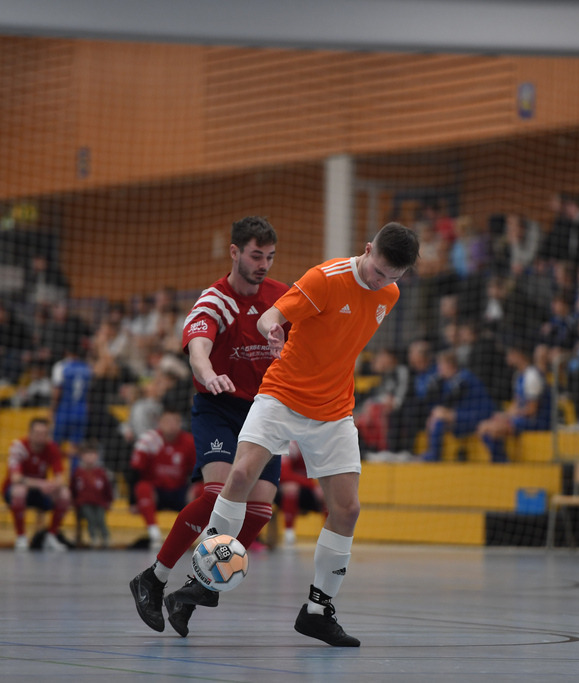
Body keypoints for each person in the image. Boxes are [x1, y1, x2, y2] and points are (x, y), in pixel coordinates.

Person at [198, 221, 418, 647]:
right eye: (378, 271)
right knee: (240, 475)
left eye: (393, 276)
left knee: (347, 509)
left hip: (334, 409)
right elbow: (271, 315)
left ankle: (318, 611)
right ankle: (205, 575)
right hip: (283, 394)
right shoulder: (325, 278)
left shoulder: (388, 294)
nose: (382, 281)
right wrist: (273, 329)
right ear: (367, 249)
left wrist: (385, 283)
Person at [130, 216, 289, 637]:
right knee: (218, 493)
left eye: (270, 257)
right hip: (219, 406)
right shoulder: (215, 299)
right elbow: (198, 348)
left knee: (260, 510)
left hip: (265, 410)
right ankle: (154, 577)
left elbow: (305, 340)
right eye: (256, 255)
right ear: (234, 252)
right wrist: (208, 372)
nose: (263, 265)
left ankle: (196, 588)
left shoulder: (281, 297)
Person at [129, 408, 198, 549]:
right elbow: (134, 471)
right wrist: (132, 501)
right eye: (167, 421)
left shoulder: (189, 441)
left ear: (180, 423)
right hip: (157, 492)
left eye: (175, 421)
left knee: (202, 489)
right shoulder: (149, 440)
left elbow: (198, 471)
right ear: (160, 422)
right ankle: (154, 535)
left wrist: (194, 488)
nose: (171, 425)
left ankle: (205, 535)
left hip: (179, 490)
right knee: (142, 488)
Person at [2, 417, 71, 551]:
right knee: (19, 490)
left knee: (65, 494)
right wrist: (41, 484)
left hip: (40, 493)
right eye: (37, 433)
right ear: (30, 433)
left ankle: (51, 536)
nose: (41, 437)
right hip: (13, 492)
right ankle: (21, 537)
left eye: (44, 433)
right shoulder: (19, 446)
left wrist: (52, 485)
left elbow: (60, 478)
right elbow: (16, 478)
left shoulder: (52, 447)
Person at [476, 340, 551, 463]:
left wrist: (511, 416)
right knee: (483, 426)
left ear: (518, 354)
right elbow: (516, 403)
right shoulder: (519, 375)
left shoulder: (532, 376)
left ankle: (502, 462)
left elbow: (532, 409)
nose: (507, 357)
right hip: (522, 418)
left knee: (492, 429)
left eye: (510, 353)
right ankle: (500, 460)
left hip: (537, 421)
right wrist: (505, 415)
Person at [419, 349, 496, 462]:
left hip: (479, 414)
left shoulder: (464, 377)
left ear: (450, 365)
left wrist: (442, 413)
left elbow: (451, 399)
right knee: (437, 419)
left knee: (439, 418)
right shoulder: (448, 381)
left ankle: (434, 455)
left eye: (441, 365)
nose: (438, 369)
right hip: (464, 417)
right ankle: (433, 454)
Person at [277, 441, 326, 545]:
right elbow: (284, 474)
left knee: (329, 494)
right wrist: (313, 486)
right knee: (291, 488)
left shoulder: (320, 447)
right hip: (281, 491)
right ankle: (289, 533)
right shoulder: (292, 446)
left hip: (307, 489)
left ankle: (329, 535)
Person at [70, 442, 114, 548]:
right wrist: (74, 502)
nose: (89, 457)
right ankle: (93, 537)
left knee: (100, 518)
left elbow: (107, 489)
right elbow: (72, 488)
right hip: (83, 503)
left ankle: (105, 537)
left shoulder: (101, 472)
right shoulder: (78, 472)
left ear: (97, 456)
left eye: (92, 454)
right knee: (91, 518)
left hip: (99, 503)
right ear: (82, 456)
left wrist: (109, 501)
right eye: (87, 454)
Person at [50, 344, 93, 452]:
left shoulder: (61, 366)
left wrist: (52, 410)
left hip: (64, 411)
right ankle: (74, 463)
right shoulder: (87, 368)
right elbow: (88, 393)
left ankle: (57, 463)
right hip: (81, 412)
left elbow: (57, 391)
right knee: (76, 447)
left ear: (67, 352)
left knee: (56, 445)